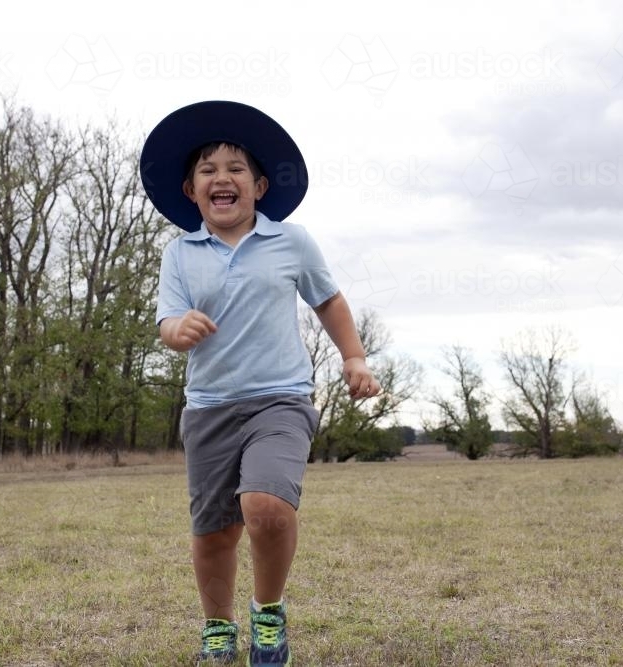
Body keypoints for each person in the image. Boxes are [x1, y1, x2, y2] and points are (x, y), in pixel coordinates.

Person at [141, 100, 381, 666]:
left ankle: (268, 617)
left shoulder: (291, 242)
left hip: (281, 399)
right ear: (191, 190)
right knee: (214, 534)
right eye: (208, 170)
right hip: (209, 407)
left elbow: (329, 299)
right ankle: (219, 630)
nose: (222, 177)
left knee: (267, 507)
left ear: (260, 185)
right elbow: (167, 320)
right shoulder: (179, 253)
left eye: (236, 168)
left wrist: (355, 358)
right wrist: (178, 329)